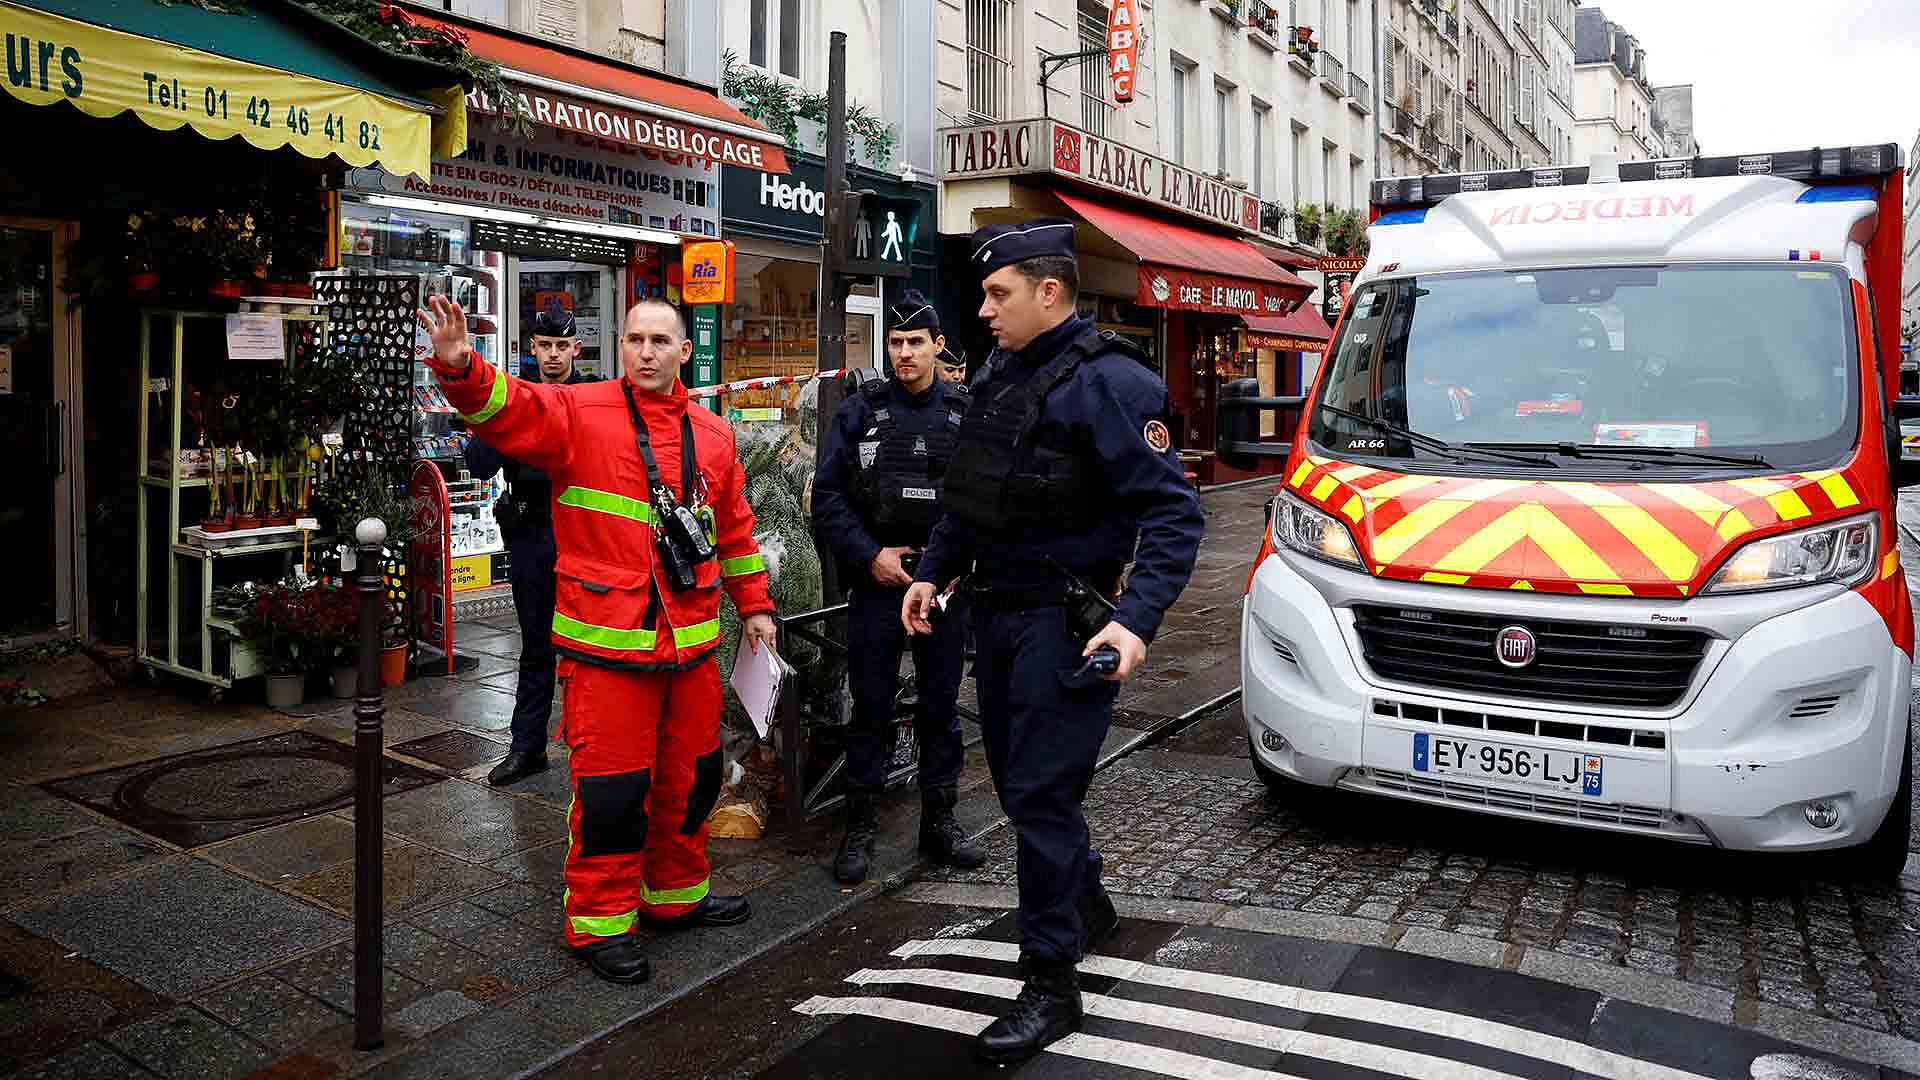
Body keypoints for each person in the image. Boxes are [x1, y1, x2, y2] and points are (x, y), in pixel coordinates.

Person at [902, 218, 1204, 1065]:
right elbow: (971, 494)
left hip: (1064, 626)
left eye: (998, 295)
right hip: (995, 618)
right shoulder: (1003, 370)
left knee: (1037, 796)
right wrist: (933, 570)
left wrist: (1134, 620)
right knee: (1019, 784)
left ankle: (1049, 983)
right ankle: (1088, 901)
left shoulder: (1109, 384)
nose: (984, 311)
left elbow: (1175, 515)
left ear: (1049, 291)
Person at [418, 295, 778, 986]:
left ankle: (674, 898)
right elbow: (511, 409)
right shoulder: (579, 413)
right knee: (612, 799)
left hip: (692, 651)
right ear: (621, 347)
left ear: (684, 352)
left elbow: (733, 531)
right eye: (634, 340)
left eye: (659, 341)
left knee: (691, 785)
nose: (646, 352)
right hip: (606, 653)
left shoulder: (714, 434)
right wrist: (461, 365)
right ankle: (599, 924)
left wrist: (755, 608)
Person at [812, 289, 987, 886]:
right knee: (871, 707)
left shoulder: (968, 413)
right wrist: (871, 557)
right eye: (895, 343)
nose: (905, 353)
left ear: (939, 346)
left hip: (943, 587)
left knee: (941, 706)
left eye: (916, 342)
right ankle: (859, 827)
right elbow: (828, 499)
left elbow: (987, 503)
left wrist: (958, 566)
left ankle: (940, 822)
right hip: (879, 581)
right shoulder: (860, 411)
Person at [462, 308, 594, 787]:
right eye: (545, 346)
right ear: (532, 348)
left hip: (583, 534)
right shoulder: (514, 397)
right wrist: (497, 415)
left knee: (588, 649)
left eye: (562, 347)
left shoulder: (592, 396)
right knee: (536, 646)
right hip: (532, 534)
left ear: (576, 348)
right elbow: (477, 464)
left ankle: (590, 747)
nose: (554, 355)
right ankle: (527, 747)